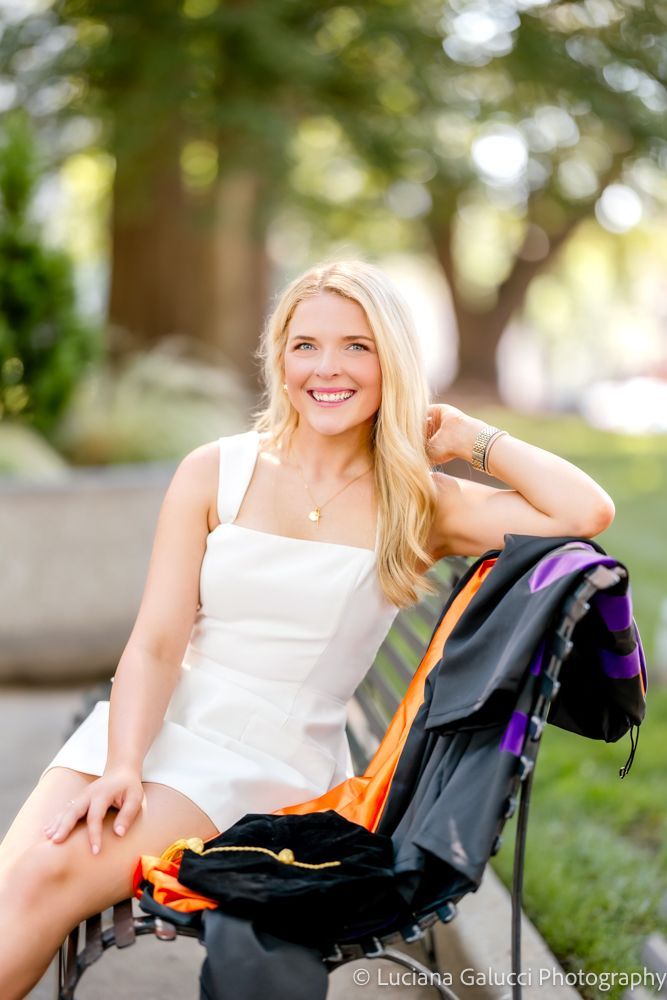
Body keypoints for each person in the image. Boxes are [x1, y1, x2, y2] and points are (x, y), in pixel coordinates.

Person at [0, 258, 615, 997]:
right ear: (279, 359)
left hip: (261, 758)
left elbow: (583, 513)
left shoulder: (418, 502)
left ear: (392, 364)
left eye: (357, 346)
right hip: (149, 723)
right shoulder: (214, 471)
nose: (328, 367)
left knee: (45, 874)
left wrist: (465, 435)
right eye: (306, 345)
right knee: (16, 884)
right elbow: (157, 643)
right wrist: (125, 762)